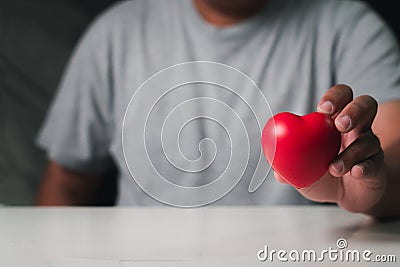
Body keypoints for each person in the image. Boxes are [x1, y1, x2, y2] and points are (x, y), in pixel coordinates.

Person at [35, 0, 400, 217]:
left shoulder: (349, 29)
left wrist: (368, 192)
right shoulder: (115, 32)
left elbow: (393, 159)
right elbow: (66, 182)